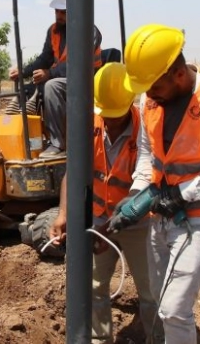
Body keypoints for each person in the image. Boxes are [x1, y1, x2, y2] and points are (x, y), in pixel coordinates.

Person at [112, 23, 200, 343]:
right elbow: (149, 154)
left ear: (177, 73)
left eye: (153, 86)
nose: (148, 94)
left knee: (175, 308)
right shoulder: (151, 101)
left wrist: (183, 193)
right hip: (162, 216)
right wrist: (137, 193)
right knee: (162, 302)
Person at [48, 62, 160, 344]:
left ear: (130, 103)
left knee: (150, 291)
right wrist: (63, 213)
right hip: (99, 217)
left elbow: (149, 187)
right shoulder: (90, 125)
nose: (109, 121)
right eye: (105, 114)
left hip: (139, 223)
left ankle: (158, 339)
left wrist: (108, 229)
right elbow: (72, 173)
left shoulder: (145, 132)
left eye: (116, 115)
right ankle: (99, 339)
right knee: (94, 285)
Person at [7, 0, 103, 158]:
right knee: (27, 89)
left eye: (63, 12)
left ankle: (57, 144)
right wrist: (24, 72)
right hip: (64, 80)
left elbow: (78, 63)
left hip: (86, 81)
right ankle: (26, 141)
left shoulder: (89, 31)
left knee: (51, 85)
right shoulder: (54, 31)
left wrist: (49, 74)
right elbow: (45, 58)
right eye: (57, 11)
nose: (59, 15)